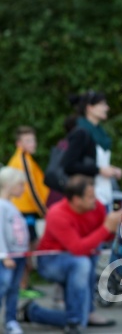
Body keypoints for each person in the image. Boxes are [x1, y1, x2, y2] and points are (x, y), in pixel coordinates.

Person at [22, 175, 122, 334]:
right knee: (81, 263)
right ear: (76, 200)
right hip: (50, 261)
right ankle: (74, 319)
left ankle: (75, 316)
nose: (95, 199)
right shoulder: (57, 214)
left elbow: (105, 236)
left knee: (87, 259)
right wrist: (107, 227)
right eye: (90, 196)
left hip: (81, 256)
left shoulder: (98, 207)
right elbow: (77, 248)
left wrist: (116, 226)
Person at [7, 126, 49, 298]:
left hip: (28, 212)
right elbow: (31, 189)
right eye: (28, 141)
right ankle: (21, 285)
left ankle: (24, 283)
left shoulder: (27, 158)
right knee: (26, 247)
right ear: (19, 143)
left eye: (33, 140)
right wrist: (45, 212)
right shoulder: (22, 159)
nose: (33, 143)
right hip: (23, 212)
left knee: (31, 246)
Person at [62, 92, 122, 209]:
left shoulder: (100, 132)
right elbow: (69, 165)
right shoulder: (81, 133)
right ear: (89, 108)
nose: (107, 108)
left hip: (103, 195)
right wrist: (99, 170)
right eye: (102, 104)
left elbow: (96, 162)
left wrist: (111, 170)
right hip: (87, 199)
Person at [0, 167, 29, 334]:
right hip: (8, 258)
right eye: (20, 184)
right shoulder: (1, 206)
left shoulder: (10, 205)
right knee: (4, 286)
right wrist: (4, 256)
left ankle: (11, 320)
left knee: (13, 289)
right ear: (9, 185)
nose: (23, 188)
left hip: (18, 256)